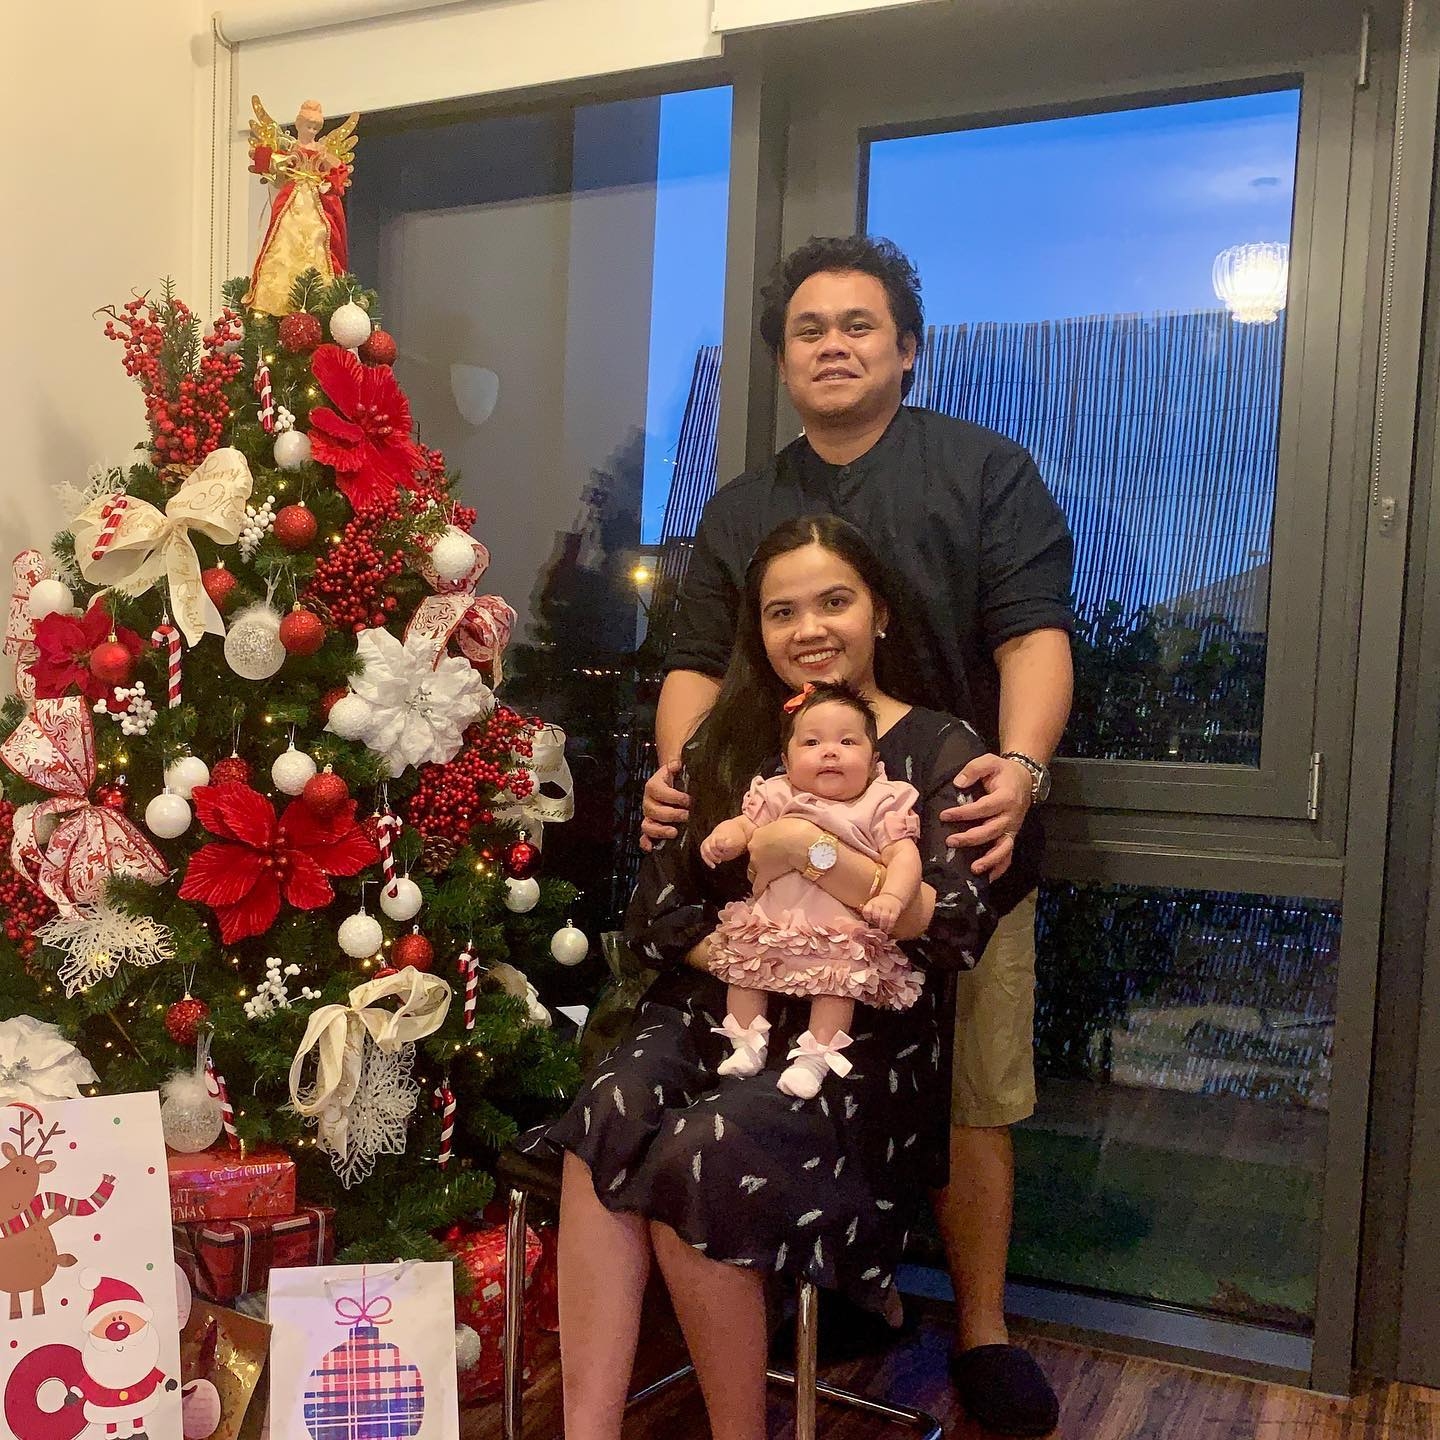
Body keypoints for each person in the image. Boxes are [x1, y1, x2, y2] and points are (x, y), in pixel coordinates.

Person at [644, 234, 1074, 1436]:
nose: (834, 345)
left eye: (859, 325)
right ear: (782, 363)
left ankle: (979, 1325)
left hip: (947, 856)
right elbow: (693, 662)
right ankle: (836, 1285)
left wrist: (1022, 772)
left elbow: (1034, 632)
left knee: (971, 1096)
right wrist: (681, 782)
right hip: (778, 860)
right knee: (785, 1067)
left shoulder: (984, 471)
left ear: (907, 348)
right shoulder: (742, 509)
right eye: (809, 332)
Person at [520, 515, 995, 1440]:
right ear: (757, 629)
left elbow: (953, 928)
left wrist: (805, 849)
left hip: (859, 1038)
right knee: (607, 1117)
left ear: (882, 614)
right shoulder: (726, 741)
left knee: (706, 1150)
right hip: (716, 1000)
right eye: (782, 611)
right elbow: (657, 917)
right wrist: (760, 954)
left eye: (835, 602)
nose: (808, 628)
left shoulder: (939, 750)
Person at [702, 680, 925, 1097]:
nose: (830, 751)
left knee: (835, 988)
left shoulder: (880, 801)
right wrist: (725, 838)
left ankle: (816, 1059)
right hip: (774, 916)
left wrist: (892, 896)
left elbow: (904, 856)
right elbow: (747, 827)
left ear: (874, 760)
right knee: (745, 974)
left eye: (847, 741)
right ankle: (746, 1044)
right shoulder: (777, 792)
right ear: (786, 761)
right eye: (812, 742)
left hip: (838, 925)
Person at [244, 97, 359, 316]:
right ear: (298, 124)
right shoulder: (289, 147)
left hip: (315, 204)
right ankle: (278, 295)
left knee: (317, 239)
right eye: (309, 125)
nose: (312, 130)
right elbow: (264, 161)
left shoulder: (322, 150)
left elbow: (338, 171)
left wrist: (328, 177)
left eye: (316, 127)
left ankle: (319, 291)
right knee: (284, 238)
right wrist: (279, 162)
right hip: (292, 200)